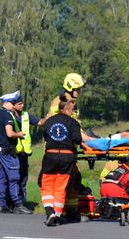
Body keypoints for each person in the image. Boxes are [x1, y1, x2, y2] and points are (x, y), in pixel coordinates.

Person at [46, 73, 95, 222]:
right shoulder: (60, 103)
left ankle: (70, 212)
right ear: (70, 87)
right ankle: (58, 213)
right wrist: (88, 141)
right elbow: (57, 125)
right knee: (61, 182)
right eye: (77, 88)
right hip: (60, 148)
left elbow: (75, 124)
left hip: (68, 148)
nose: (79, 92)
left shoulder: (71, 102)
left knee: (74, 179)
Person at [40, 97, 82, 226]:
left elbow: (46, 136)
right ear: (66, 108)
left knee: (47, 185)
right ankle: (57, 216)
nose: (73, 111)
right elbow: (77, 139)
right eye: (72, 109)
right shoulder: (73, 122)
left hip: (50, 156)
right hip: (67, 157)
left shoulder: (49, 121)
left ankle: (49, 212)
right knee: (60, 187)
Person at [0, 91, 31, 214]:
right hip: (8, 152)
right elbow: (10, 133)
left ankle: (2, 204)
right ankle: (17, 204)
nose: (14, 106)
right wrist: (18, 134)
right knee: (14, 177)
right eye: (12, 103)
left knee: (1, 178)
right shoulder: (8, 115)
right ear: (7, 103)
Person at [11, 92, 45, 203]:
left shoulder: (26, 115)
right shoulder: (9, 115)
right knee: (14, 177)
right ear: (14, 105)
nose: (22, 106)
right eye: (19, 104)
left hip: (24, 152)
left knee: (23, 176)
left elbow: (39, 122)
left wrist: (49, 116)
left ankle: (23, 199)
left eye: (22, 103)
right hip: (13, 152)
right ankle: (14, 200)